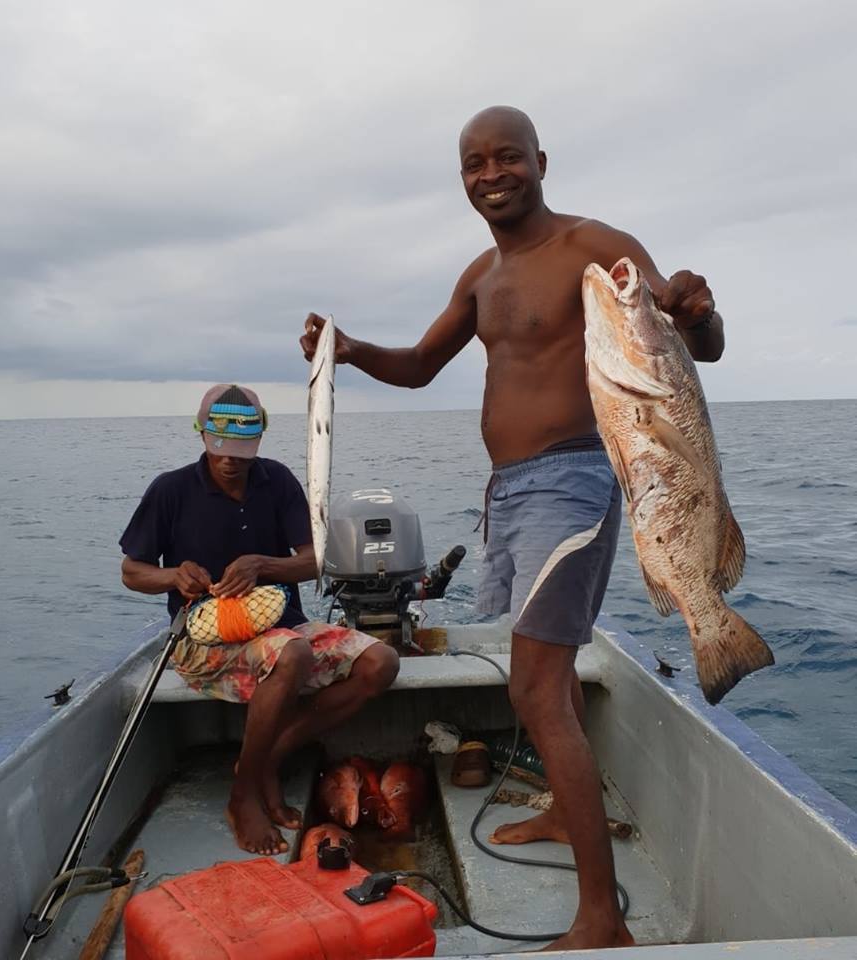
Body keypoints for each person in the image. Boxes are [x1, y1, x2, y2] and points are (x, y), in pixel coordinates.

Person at [300, 105, 724, 951]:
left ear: (541, 161)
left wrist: (700, 311)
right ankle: (569, 818)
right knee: (550, 677)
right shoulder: (480, 277)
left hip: (577, 479)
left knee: (534, 684)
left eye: (507, 159)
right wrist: (349, 349)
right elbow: (421, 368)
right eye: (473, 165)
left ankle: (601, 921)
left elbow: (691, 346)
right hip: (510, 492)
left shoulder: (592, 245)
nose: (490, 175)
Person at [119, 383, 399, 856]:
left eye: (243, 451)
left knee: (381, 663)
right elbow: (131, 571)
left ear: (261, 440)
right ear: (201, 435)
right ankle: (242, 795)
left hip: (283, 625)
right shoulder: (170, 490)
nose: (231, 460)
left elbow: (313, 561)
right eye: (221, 448)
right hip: (203, 640)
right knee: (292, 653)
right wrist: (173, 576)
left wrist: (262, 565)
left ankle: (268, 757)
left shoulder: (278, 481)